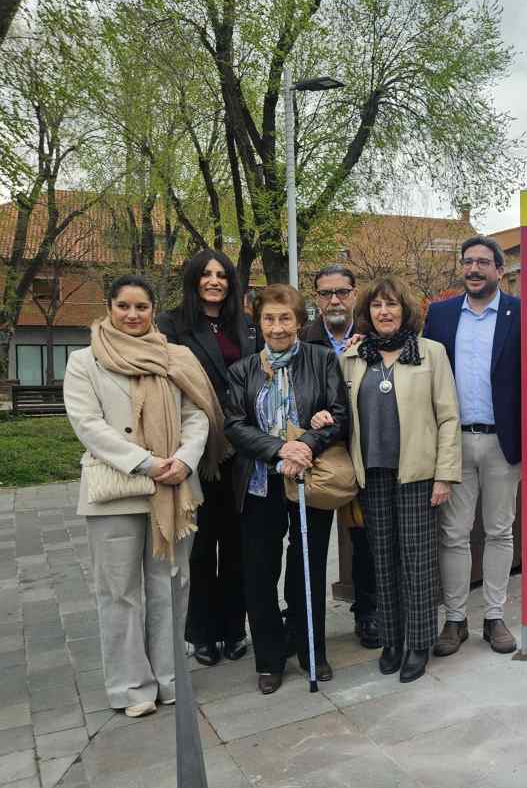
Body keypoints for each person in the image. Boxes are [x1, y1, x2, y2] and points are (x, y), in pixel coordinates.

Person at [64, 275, 225, 718]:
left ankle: (171, 679)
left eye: (141, 307)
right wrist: (146, 462)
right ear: (109, 308)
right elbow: (87, 424)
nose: (132, 315)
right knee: (118, 593)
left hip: (174, 488)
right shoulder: (85, 361)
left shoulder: (176, 357)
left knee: (171, 587)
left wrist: (186, 459)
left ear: (154, 310)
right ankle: (131, 688)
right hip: (117, 490)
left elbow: (198, 414)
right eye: (123, 306)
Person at [225, 284, 349, 695]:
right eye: (269, 319)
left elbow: (340, 416)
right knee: (260, 574)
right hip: (261, 485)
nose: (277, 327)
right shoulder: (243, 370)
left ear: (299, 321)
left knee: (307, 569)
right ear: (258, 323)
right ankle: (269, 658)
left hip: (310, 481)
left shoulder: (321, 359)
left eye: (286, 318)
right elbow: (235, 426)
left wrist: (307, 447)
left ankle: (311, 649)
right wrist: (281, 449)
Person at [340, 276, 460, 683]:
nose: (384, 312)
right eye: (376, 306)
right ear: (367, 313)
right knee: (383, 560)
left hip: (417, 474)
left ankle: (419, 642)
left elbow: (448, 417)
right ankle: (392, 638)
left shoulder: (430, 353)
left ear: (405, 310)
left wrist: (445, 474)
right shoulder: (354, 357)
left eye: (391, 305)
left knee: (418, 562)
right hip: (371, 473)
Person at [157, 249, 260, 668]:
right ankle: (201, 633)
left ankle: (235, 629)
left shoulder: (246, 325)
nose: (214, 281)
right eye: (207, 274)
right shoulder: (172, 324)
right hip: (198, 447)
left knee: (238, 544)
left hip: (244, 449)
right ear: (193, 279)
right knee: (201, 548)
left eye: (222, 275)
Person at [423, 235, 522, 657]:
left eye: (484, 262)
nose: (475, 269)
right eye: (468, 262)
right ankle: (455, 620)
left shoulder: (522, 313)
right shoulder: (441, 315)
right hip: (454, 442)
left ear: (500, 270)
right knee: (453, 534)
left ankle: (495, 617)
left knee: (500, 531)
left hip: (504, 440)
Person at [300, 264, 380, 648]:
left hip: (363, 453)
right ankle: (308, 626)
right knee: (311, 544)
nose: (334, 300)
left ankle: (367, 614)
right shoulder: (302, 340)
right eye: (326, 293)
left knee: (364, 542)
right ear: (316, 298)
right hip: (319, 456)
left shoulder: (373, 337)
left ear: (354, 293)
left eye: (342, 292)